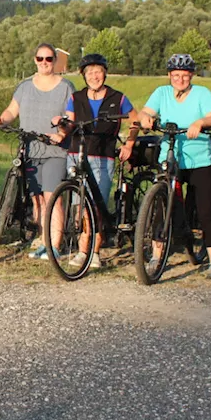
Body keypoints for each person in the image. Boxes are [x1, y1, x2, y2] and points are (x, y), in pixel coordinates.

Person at [136, 53, 211, 280]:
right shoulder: (162, 92)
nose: (180, 79)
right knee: (161, 206)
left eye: (184, 76)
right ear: (169, 75)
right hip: (171, 153)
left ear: (191, 76)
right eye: (175, 75)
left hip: (199, 159)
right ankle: (156, 255)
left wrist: (201, 122)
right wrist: (145, 117)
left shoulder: (202, 94)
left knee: (205, 211)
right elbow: (144, 112)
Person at [0, 43, 76, 260]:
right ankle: (44, 239)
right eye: (40, 58)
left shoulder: (66, 87)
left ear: (55, 60)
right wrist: (0, 120)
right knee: (37, 200)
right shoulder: (25, 87)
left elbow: (71, 118)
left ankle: (55, 245)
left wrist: (62, 133)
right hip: (30, 150)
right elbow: (11, 110)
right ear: (34, 60)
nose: (44, 63)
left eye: (48, 59)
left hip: (55, 151)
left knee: (52, 196)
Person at [62, 53, 138, 269]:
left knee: (96, 206)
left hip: (103, 156)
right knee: (80, 207)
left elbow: (135, 119)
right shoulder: (76, 98)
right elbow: (69, 123)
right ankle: (82, 249)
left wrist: (129, 144)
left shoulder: (118, 98)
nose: (94, 76)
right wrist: (61, 126)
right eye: (90, 73)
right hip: (77, 154)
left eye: (98, 72)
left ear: (104, 74)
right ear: (84, 76)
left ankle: (92, 252)